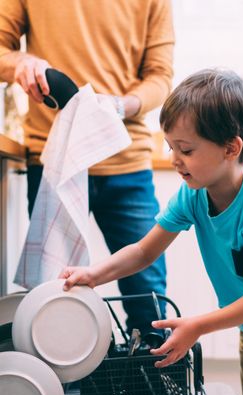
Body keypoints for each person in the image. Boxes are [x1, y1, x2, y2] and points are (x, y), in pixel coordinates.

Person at [59, 67, 243, 395]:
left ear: (231, 148)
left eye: (186, 150)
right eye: (170, 147)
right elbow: (144, 250)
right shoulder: (195, 193)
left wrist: (197, 325)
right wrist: (94, 275)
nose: (174, 159)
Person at [0, 0, 175, 337]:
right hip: (55, 161)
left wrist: (119, 106)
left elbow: (160, 77)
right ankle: (59, 390)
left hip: (125, 159)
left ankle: (150, 385)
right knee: (51, 299)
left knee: (148, 305)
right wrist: (21, 62)